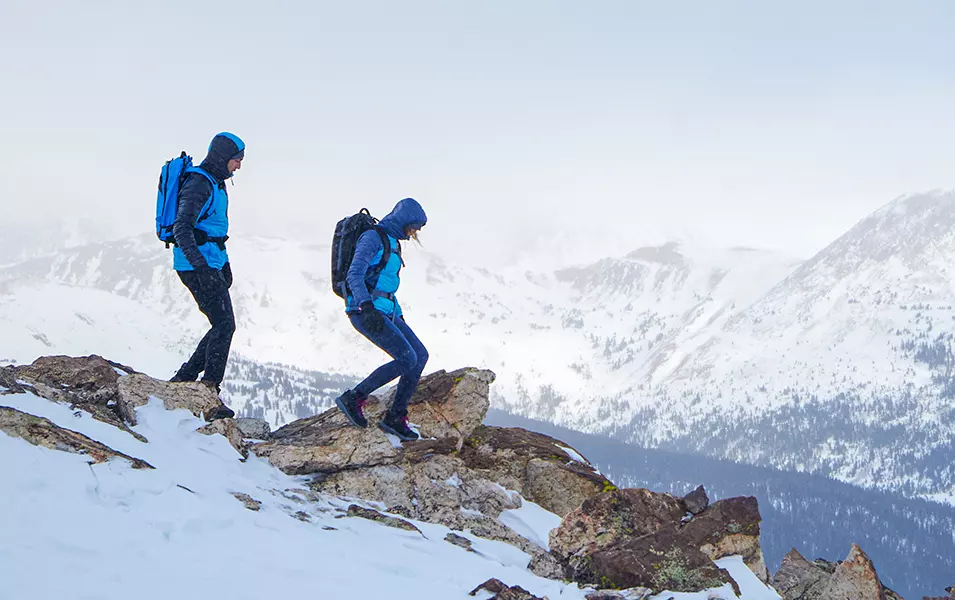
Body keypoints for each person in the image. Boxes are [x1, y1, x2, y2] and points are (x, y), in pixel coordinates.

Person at [335, 198, 429, 441]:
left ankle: (396, 416)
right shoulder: (373, 237)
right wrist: (366, 306)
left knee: (419, 356)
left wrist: (397, 315)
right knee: (406, 358)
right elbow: (354, 274)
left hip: (387, 310)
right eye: (415, 226)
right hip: (364, 310)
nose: (416, 231)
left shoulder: (394, 243)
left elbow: (386, 286)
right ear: (404, 220)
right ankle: (354, 397)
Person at [168, 132, 245, 420]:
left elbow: (212, 231)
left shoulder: (216, 183)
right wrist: (202, 267)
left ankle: (186, 378)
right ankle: (209, 389)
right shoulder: (200, 183)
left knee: (221, 324)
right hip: (195, 265)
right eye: (237, 160)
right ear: (223, 157)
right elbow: (182, 228)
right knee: (225, 325)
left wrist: (223, 264)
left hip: (210, 261)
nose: (238, 166)